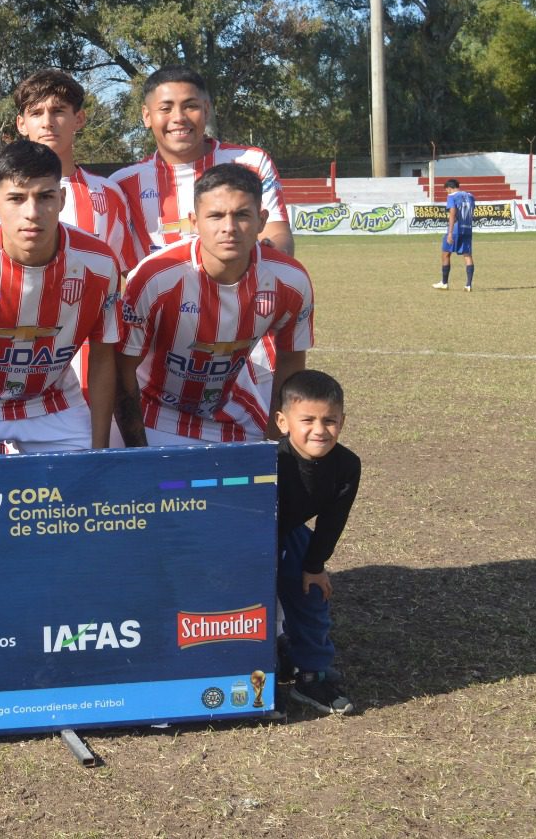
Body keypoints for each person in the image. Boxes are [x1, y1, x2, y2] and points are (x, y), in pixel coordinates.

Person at [0, 141, 122, 456]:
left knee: (84, 492)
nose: (32, 213)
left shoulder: (99, 263)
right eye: (16, 198)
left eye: (45, 197)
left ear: (63, 199)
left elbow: (102, 359)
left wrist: (98, 451)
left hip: (51, 400)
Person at [115, 163, 314, 446]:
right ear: (194, 222)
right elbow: (122, 372)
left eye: (242, 215)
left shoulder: (291, 279)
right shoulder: (155, 277)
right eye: (216, 216)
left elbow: (292, 362)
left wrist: (277, 445)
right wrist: (140, 454)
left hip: (229, 408)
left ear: (261, 219)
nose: (229, 228)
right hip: (152, 407)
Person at [0, 70, 141, 274]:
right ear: (21, 124)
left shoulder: (109, 194)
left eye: (58, 111)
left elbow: (121, 273)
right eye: (36, 113)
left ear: (79, 119)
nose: (47, 122)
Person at [109, 65, 294, 257]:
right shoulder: (122, 184)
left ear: (206, 110)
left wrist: (273, 258)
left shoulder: (251, 161)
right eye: (166, 108)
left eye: (191, 106)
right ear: (147, 116)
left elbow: (277, 233)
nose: (179, 117)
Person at [274, 369, 360, 715]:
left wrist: (314, 566)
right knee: (251, 599)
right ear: (283, 421)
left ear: (342, 421)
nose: (319, 430)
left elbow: (332, 521)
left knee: (312, 594)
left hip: (292, 532)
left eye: (330, 420)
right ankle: (255, 672)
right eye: (307, 419)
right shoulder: (272, 460)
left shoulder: (347, 465)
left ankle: (311, 675)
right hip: (256, 536)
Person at [433, 178, 475, 291]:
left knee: (445, 254)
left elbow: (452, 214)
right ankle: (468, 284)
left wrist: (450, 233)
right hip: (467, 229)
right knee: (467, 255)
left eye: (447, 190)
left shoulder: (452, 197)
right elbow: (472, 212)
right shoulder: (470, 196)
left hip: (456, 229)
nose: (447, 192)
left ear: (449, 188)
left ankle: (444, 283)